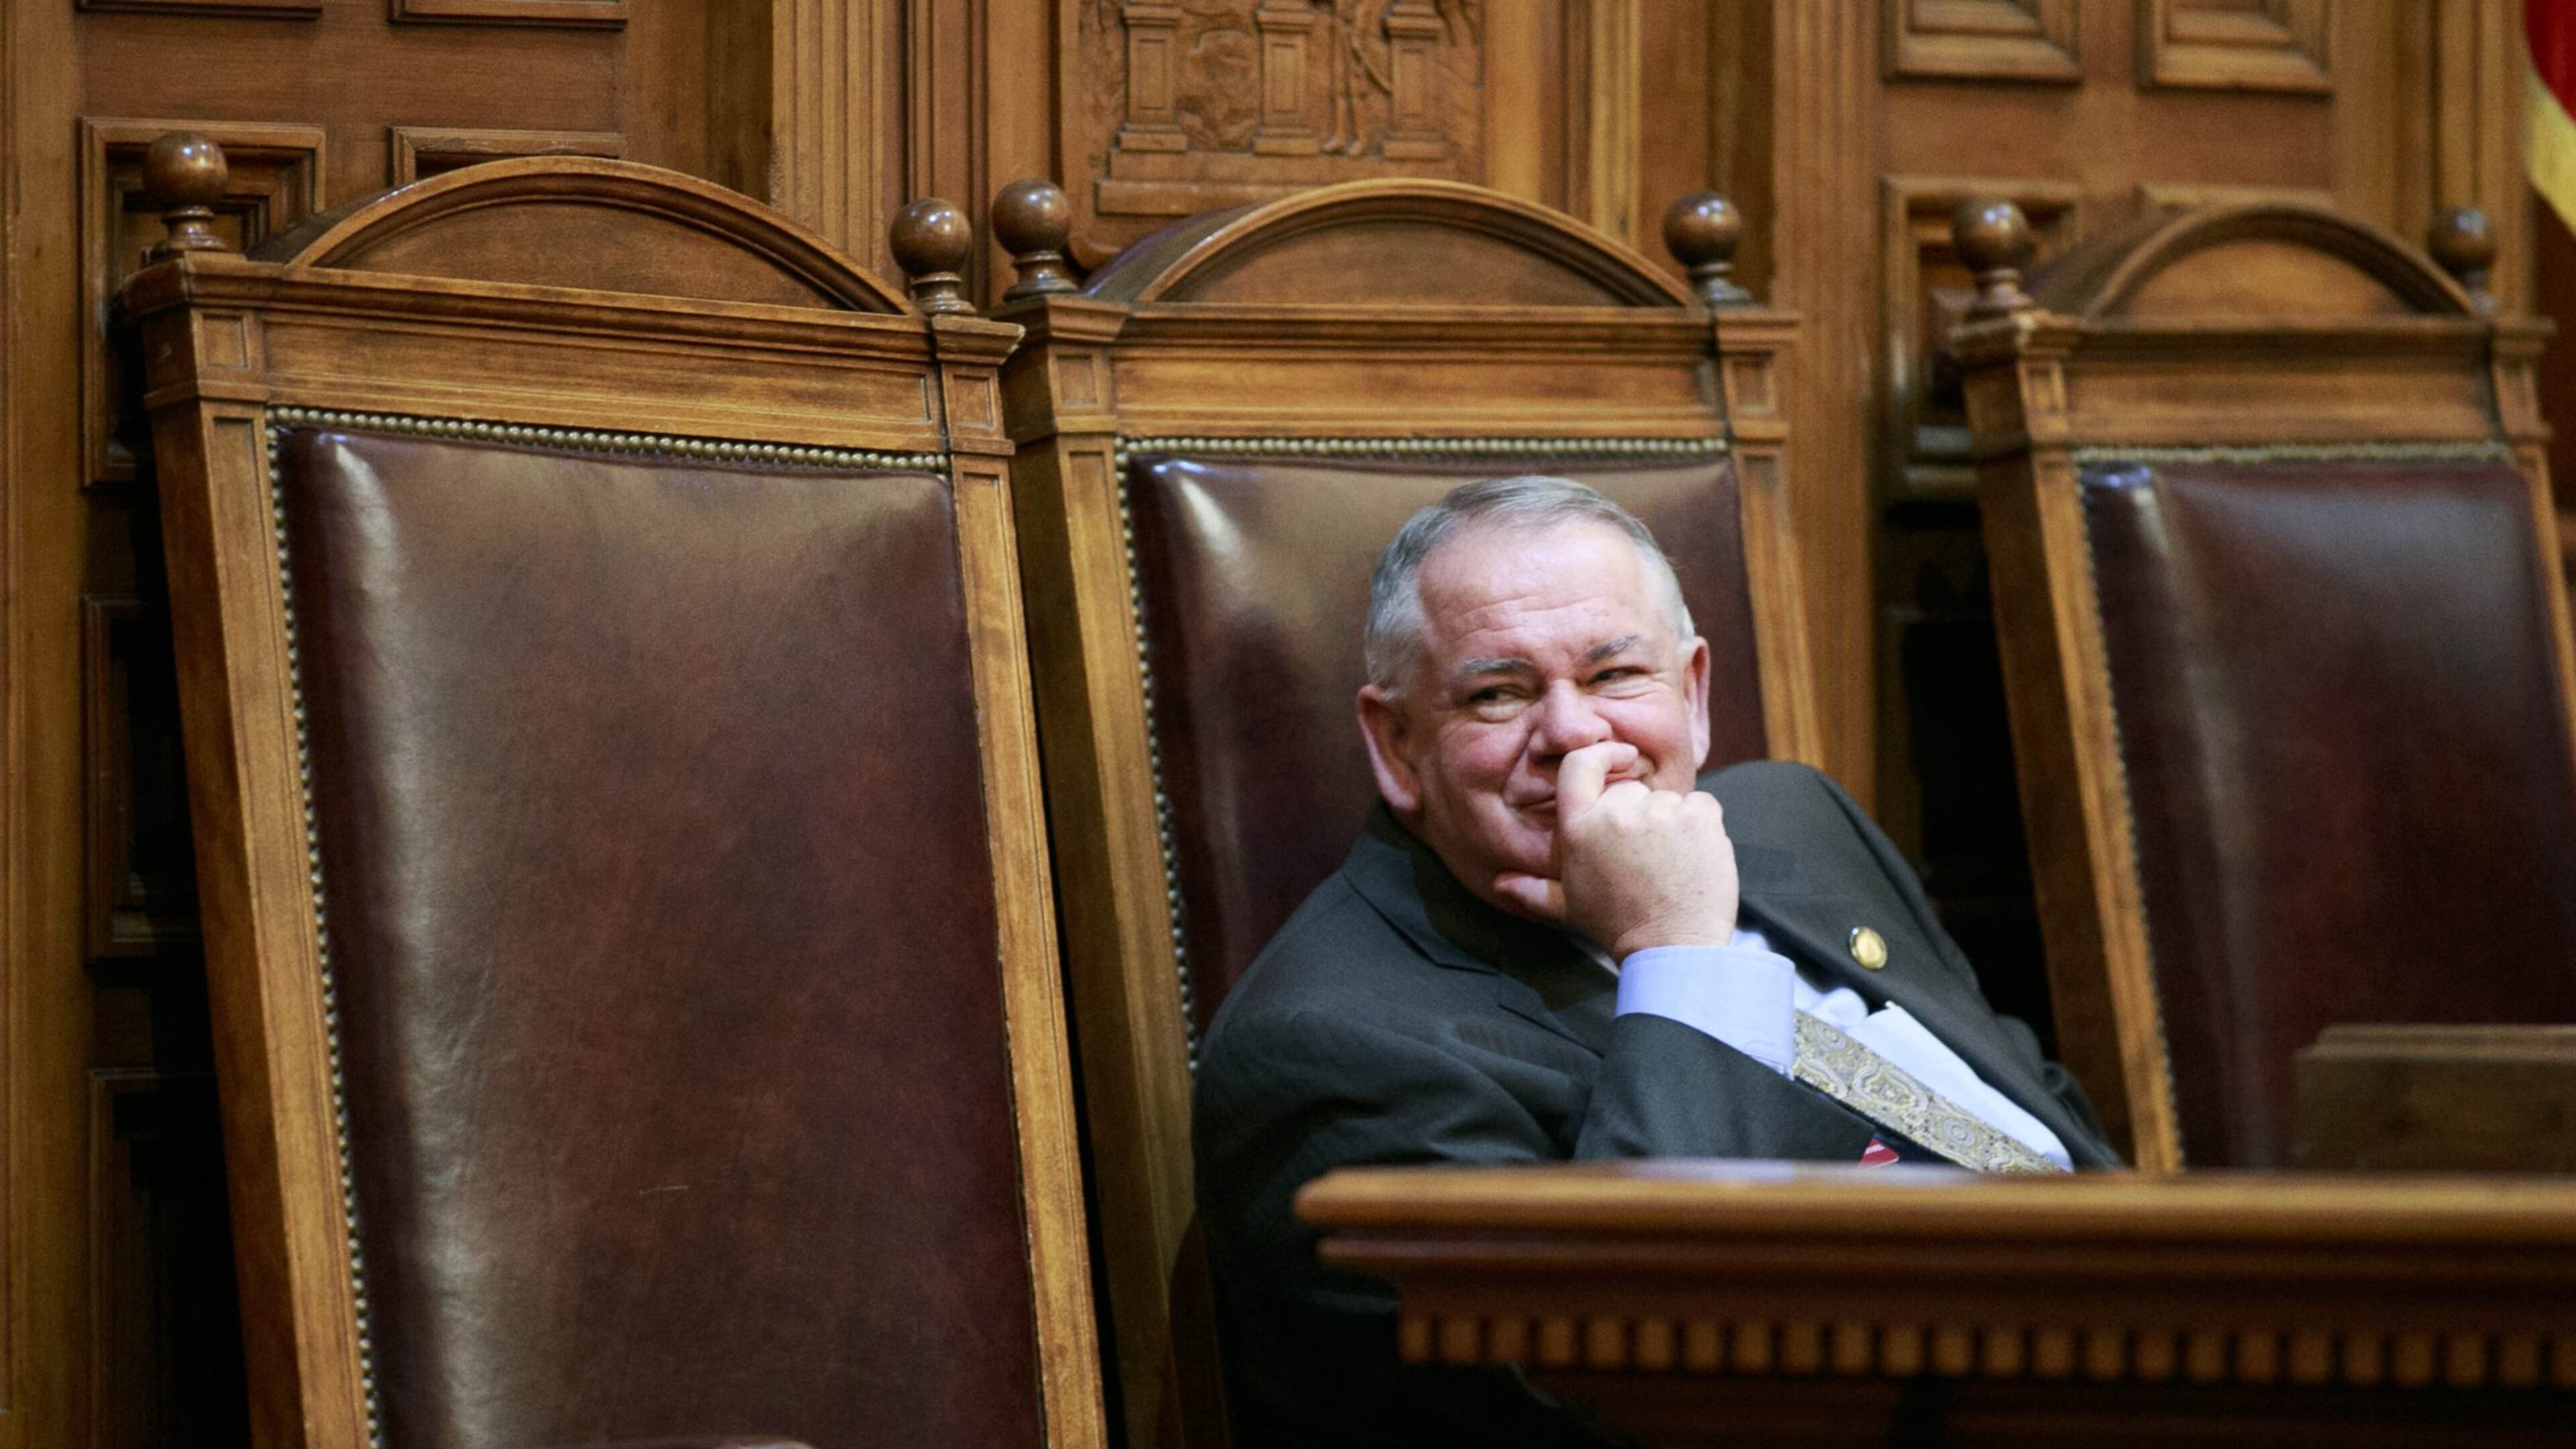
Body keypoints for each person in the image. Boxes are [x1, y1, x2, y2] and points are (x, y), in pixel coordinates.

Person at [1193, 476, 2120, 1448]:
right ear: (1396, 744)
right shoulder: (1329, 1055)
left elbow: (2041, 1116)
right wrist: (1674, 953)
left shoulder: (1796, 817)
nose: (1574, 733)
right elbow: (1631, 1397)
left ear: (1694, 692)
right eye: (1497, 694)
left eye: (1615, 675)